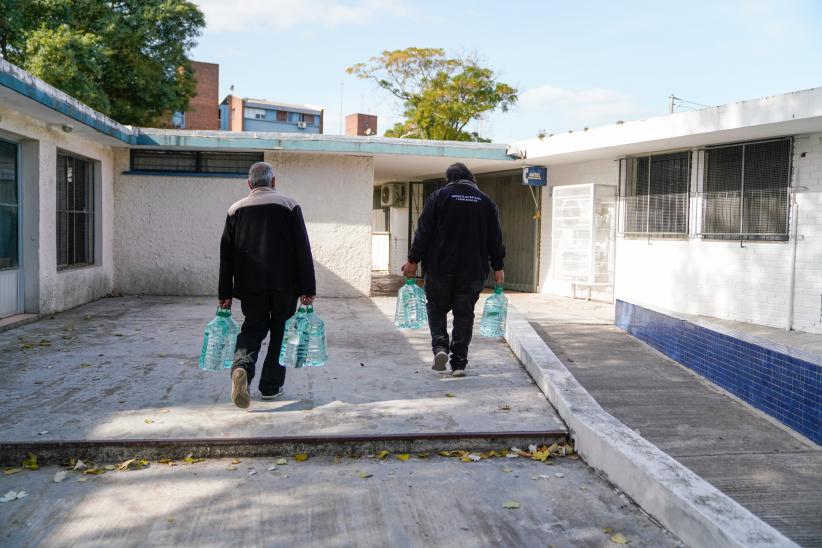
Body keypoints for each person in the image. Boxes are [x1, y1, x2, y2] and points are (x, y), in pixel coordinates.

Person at [219, 161, 316, 409]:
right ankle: (271, 388)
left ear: (249, 184)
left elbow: (227, 255)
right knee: (281, 333)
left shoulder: (235, 210)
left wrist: (225, 293)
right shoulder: (289, 205)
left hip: (250, 285)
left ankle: (242, 367)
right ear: (274, 182)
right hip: (286, 284)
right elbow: (302, 249)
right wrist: (308, 288)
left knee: (252, 329)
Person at [402, 162, 505, 377]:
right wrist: (498, 266)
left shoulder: (439, 196)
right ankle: (458, 363)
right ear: (471, 179)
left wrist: (413, 260)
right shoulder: (486, 202)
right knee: (464, 315)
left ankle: (440, 348)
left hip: (440, 268)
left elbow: (424, 232)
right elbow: (496, 238)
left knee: (437, 308)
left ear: (449, 179)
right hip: (473, 270)